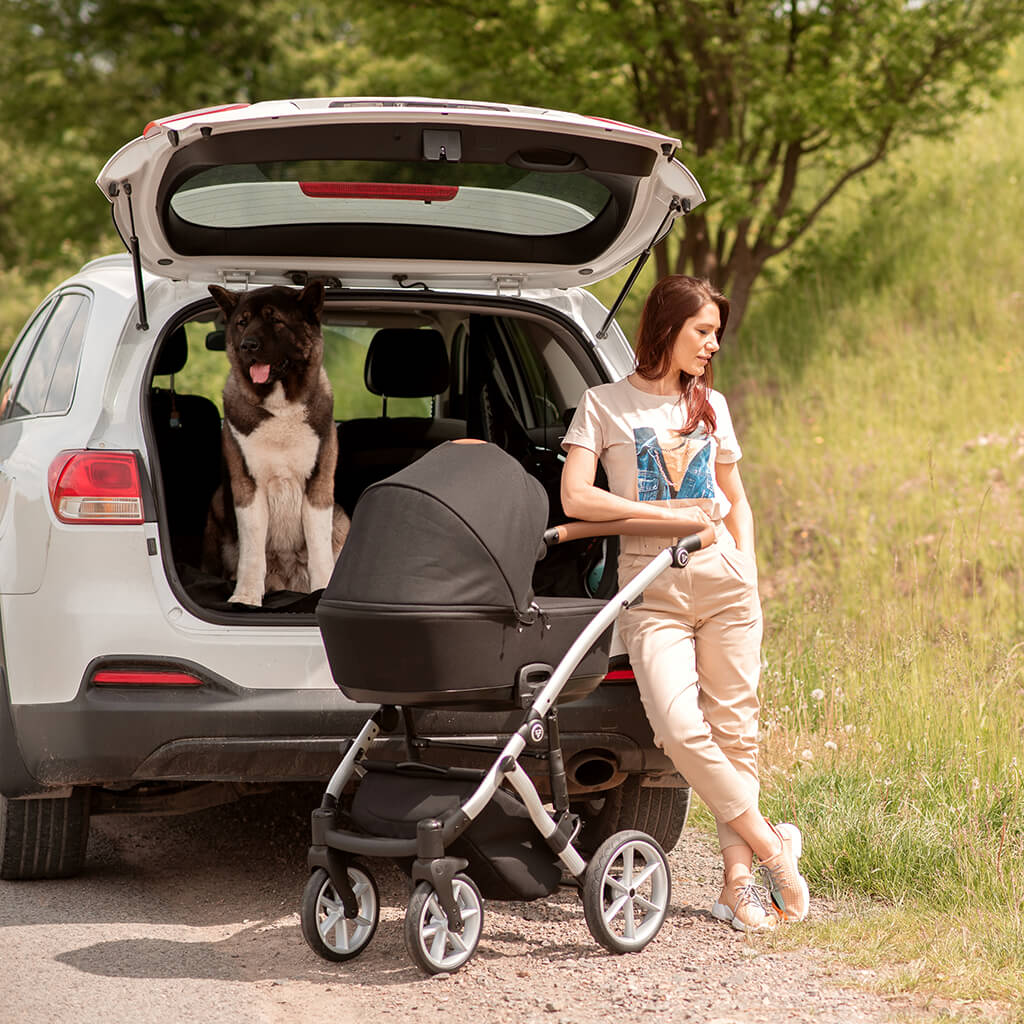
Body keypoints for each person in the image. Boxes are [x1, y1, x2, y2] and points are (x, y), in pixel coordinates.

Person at [560, 275, 809, 932]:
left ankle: (735, 883)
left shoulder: (713, 406)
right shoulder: (603, 404)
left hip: (725, 583)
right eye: (702, 331)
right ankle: (770, 845)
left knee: (735, 732)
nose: (713, 344)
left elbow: (736, 497)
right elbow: (577, 499)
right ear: (665, 328)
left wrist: (748, 569)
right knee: (677, 727)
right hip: (652, 594)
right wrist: (663, 518)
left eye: (716, 333)